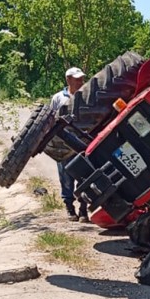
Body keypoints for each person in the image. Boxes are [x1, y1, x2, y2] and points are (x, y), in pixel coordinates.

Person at [49, 67, 89, 222]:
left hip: (81, 142)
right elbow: (50, 118)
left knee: (84, 176)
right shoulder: (58, 98)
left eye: (81, 79)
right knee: (65, 177)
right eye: (77, 79)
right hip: (63, 143)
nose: (80, 82)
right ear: (68, 79)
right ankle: (69, 208)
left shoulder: (85, 96)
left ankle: (83, 209)